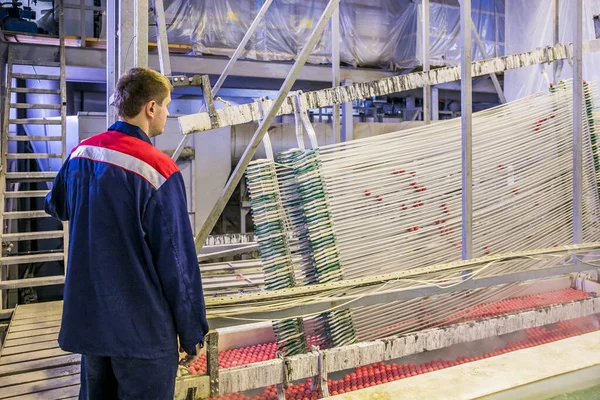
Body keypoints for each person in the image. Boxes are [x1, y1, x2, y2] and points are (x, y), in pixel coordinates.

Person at [45, 67, 208, 399]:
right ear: (150, 108)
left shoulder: (81, 155)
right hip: (142, 334)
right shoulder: (157, 169)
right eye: (166, 106)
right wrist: (192, 333)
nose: (167, 113)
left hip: (91, 326)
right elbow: (177, 263)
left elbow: (57, 206)